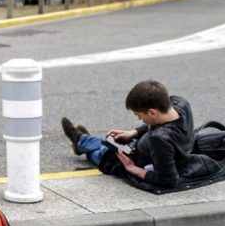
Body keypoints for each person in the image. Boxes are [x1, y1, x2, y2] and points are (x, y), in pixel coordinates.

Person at [60, 80, 198, 190]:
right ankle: (82, 141)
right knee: (111, 144)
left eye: (138, 115)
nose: (139, 119)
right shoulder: (180, 103)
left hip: (134, 160)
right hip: (137, 148)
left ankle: (80, 140)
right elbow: (157, 123)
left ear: (152, 113)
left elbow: (169, 180)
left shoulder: (160, 140)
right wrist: (134, 132)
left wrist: (133, 168)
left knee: (104, 154)